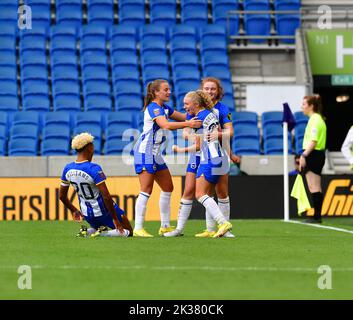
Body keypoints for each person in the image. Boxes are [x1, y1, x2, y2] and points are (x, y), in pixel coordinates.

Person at [164, 86, 240, 238]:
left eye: (186, 104)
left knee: (200, 194)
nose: (184, 107)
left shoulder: (199, 119)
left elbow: (197, 139)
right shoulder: (211, 115)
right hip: (217, 157)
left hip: (208, 159)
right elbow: (216, 137)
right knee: (205, 193)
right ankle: (214, 228)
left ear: (196, 104)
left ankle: (223, 223)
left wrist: (181, 147)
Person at [133, 79, 202, 237]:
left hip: (155, 154)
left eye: (169, 89)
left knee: (168, 187)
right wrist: (189, 124)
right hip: (145, 152)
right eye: (165, 89)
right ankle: (138, 228)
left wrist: (199, 109)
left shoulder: (164, 107)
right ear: (156, 92)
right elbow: (166, 125)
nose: (169, 92)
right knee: (146, 190)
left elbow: (184, 116)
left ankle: (164, 226)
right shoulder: (153, 108)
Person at [59, 133, 133, 238]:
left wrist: (74, 210)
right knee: (128, 232)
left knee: (96, 227)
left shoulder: (68, 168)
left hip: (87, 214)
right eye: (92, 145)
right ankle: (103, 233)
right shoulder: (94, 168)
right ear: (89, 148)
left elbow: (61, 196)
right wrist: (115, 218)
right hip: (103, 211)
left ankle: (88, 231)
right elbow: (106, 196)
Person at [299, 95, 327, 223]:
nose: (302, 107)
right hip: (316, 154)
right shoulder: (315, 119)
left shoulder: (315, 120)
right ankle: (317, 215)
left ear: (311, 106)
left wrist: (304, 155)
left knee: (314, 186)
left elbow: (313, 141)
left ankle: (317, 216)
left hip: (313, 154)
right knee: (314, 186)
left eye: (304, 104)